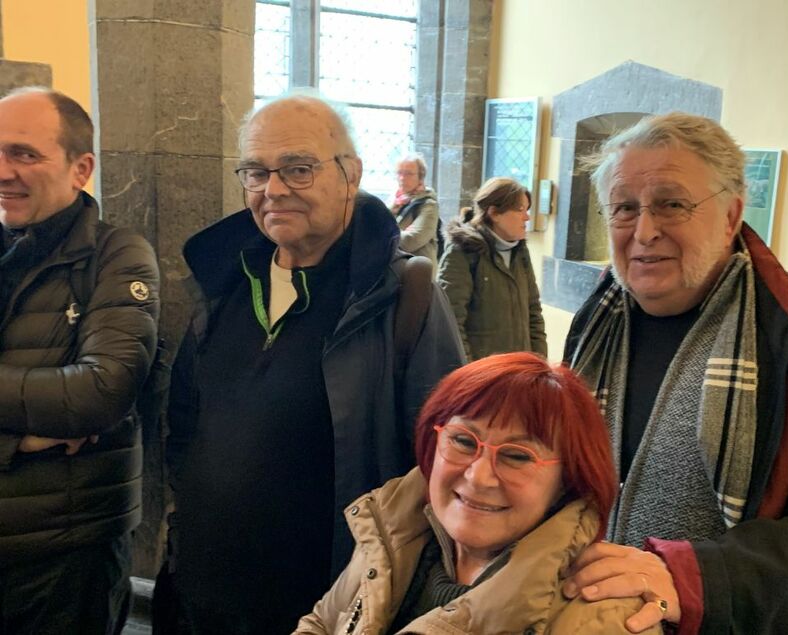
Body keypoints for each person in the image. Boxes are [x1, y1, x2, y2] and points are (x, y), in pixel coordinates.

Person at [560, 112, 788, 633]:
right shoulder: (597, 321)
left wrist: (693, 579)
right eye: (624, 208)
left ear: (732, 215)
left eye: (671, 204)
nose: (644, 230)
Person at [158, 92, 464, 634]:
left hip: (323, 605)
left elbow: (441, 466)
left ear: (351, 175)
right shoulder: (225, 283)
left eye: (298, 169)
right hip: (202, 595)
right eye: (256, 172)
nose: (273, 189)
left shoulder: (402, 296)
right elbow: (185, 422)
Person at [293, 352, 661, 635]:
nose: (479, 476)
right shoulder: (394, 530)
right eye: (464, 441)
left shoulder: (603, 614)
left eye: (518, 455)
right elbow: (323, 624)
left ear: (567, 482)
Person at [0, 87, 160, 634]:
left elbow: (100, 393)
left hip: (64, 555)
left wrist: (63, 410)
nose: (3, 172)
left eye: (24, 154)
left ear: (81, 168)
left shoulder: (116, 254)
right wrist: (18, 436)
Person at [438, 177, 547, 361]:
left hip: (520, 372)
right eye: (520, 210)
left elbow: (534, 313)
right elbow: (451, 323)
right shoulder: (462, 251)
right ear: (494, 213)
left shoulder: (520, 252)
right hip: (483, 376)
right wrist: (470, 373)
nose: (527, 217)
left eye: (527, 210)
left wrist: (539, 365)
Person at [390, 153, 441, 271]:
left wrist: (382, 235)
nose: (402, 178)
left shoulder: (429, 205)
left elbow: (411, 240)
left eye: (409, 174)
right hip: (395, 271)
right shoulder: (396, 200)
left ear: (421, 177)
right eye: (399, 173)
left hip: (416, 276)